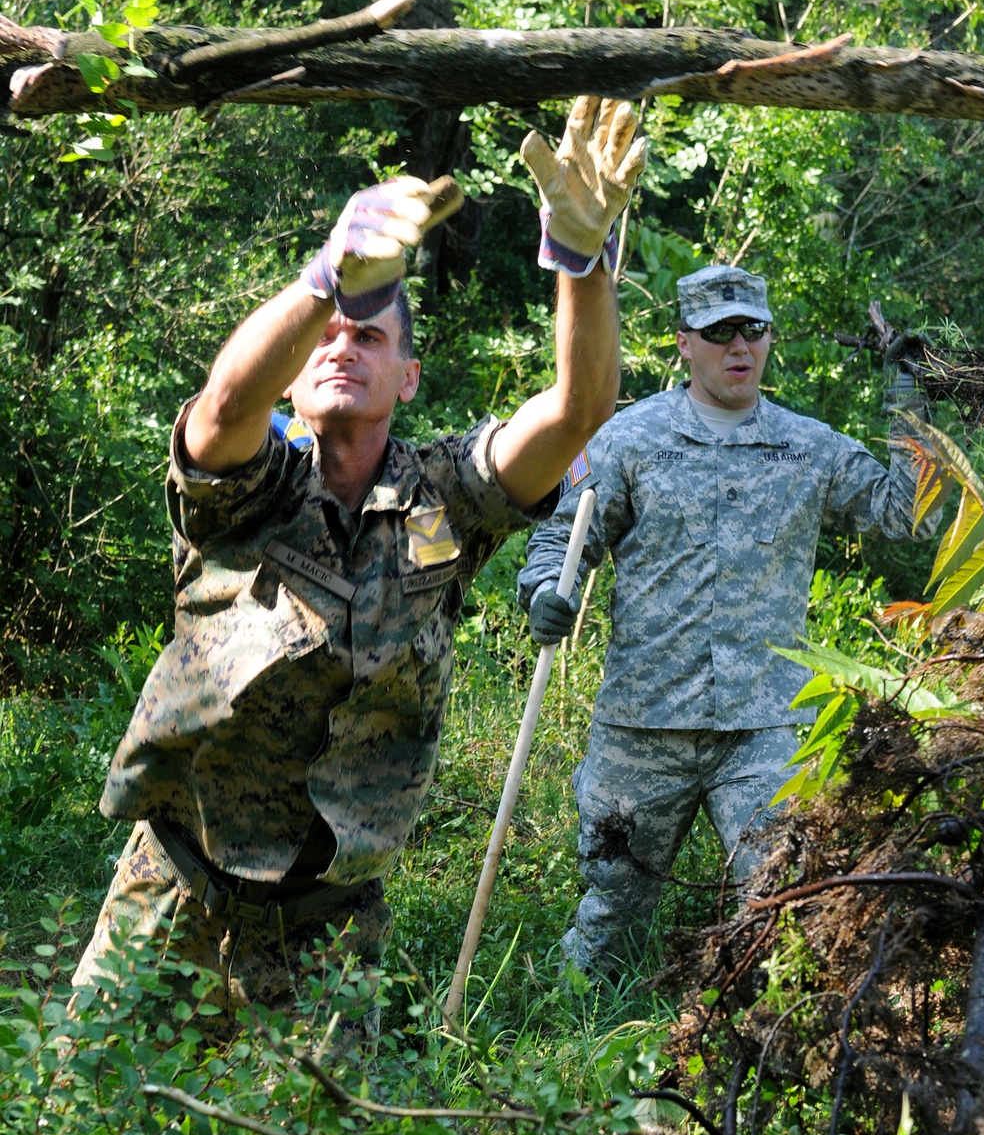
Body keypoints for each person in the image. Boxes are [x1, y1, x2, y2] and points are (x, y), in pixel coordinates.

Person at [71, 97, 647, 1039]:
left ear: (408, 378)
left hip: (326, 923)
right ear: (297, 375)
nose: (345, 346)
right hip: (171, 887)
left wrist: (581, 265)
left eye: (370, 337)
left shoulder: (445, 497)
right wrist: (323, 282)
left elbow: (578, 410)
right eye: (329, 337)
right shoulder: (250, 493)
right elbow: (221, 407)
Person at [518, 263, 938, 978]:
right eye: (719, 333)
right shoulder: (629, 439)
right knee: (610, 916)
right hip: (645, 719)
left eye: (753, 330)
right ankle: (560, 1045)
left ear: (770, 337)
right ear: (684, 341)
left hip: (763, 727)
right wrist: (541, 593)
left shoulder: (807, 446)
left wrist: (910, 409)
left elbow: (905, 518)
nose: (738, 347)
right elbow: (564, 537)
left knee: (789, 904)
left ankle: (763, 1046)